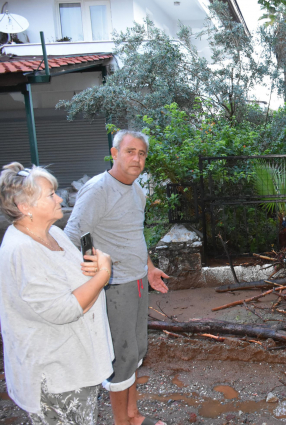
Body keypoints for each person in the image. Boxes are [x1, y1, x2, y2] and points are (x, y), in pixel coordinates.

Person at [65, 130, 169, 425]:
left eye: (142, 154)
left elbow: (135, 235)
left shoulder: (137, 190)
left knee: (135, 351)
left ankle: (133, 415)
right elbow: (71, 238)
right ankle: (120, 422)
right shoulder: (98, 190)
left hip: (136, 281)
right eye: (130, 151)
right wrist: (91, 277)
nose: (137, 159)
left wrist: (149, 268)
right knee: (121, 356)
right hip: (113, 286)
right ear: (114, 153)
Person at [0, 162, 114, 424]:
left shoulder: (52, 234)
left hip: (74, 365)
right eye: (50, 194)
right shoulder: (23, 250)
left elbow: (78, 276)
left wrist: (97, 264)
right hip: (54, 376)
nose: (59, 198)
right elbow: (66, 308)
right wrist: (104, 274)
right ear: (24, 207)